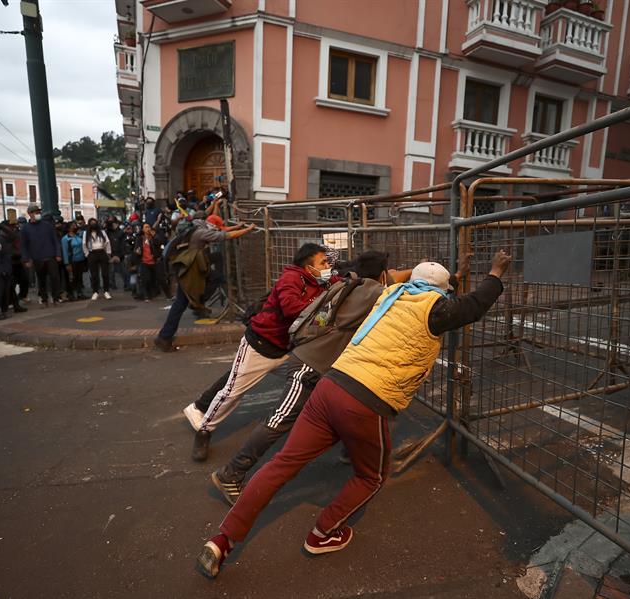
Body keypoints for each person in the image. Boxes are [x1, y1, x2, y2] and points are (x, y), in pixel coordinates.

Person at [195, 250, 512, 579]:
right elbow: (473, 306)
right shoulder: (434, 308)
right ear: (442, 293)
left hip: (330, 384)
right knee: (370, 477)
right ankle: (323, 533)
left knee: (282, 463)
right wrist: (496, 272)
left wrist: (457, 275)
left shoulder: (389, 294)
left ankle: (221, 540)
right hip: (364, 398)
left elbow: (430, 287)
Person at [210, 251, 414, 505]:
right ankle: (230, 474)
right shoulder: (374, 292)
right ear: (382, 274)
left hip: (315, 361)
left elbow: (320, 321)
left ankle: (351, 452)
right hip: (310, 366)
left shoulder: (346, 284)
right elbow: (397, 277)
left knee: (334, 415)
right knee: (279, 420)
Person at [183, 242, 337, 462]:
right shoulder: (291, 279)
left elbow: (332, 295)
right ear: (307, 265)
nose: (327, 266)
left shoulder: (320, 281)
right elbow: (292, 308)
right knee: (232, 393)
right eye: (323, 262)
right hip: (260, 346)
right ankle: (204, 430)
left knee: (312, 380)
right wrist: (323, 302)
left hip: (287, 349)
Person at [153, 217, 256, 352]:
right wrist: (248, 229)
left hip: (184, 268)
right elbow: (226, 235)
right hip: (189, 270)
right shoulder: (202, 232)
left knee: (182, 302)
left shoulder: (196, 226)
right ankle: (164, 337)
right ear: (211, 225)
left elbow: (222, 230)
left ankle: (166, 335)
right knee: (180, 303)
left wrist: (239, 226)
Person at [20, 203, 63, 306]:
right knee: (41, 280)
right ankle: (44, 299)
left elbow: (55, 240)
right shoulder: (25, 229)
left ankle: (56, 298)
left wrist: (58, 254)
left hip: (51, 257)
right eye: (36, 212)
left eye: (39, 212)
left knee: (55, 278)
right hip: (37, 259)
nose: (38, 213)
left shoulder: (47, 225)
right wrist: (26, 259)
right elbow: (24, 246)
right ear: (30, 214)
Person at [0, 220, 28, 314]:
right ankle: (13, 304)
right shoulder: (1, 237)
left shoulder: (14, 235)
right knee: (10, 285)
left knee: (24, 280)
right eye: (10, 226)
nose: (13, 228)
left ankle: (17, 301)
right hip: (8, 263)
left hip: (17, 261)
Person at [82, 218, 112, 300]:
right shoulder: (86, 233)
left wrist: (108, 253)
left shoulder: (102, 232)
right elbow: (84, 244)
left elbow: (107, 242)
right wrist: (87, 254)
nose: (93, 224)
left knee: (105, 273)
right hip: (92, 253)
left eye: (95, 223)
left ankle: (106, 291)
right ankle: (95, 292)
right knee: (94, 274)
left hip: (102, 252)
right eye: (91, 223)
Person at [133, 223, 161, 301]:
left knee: (155, 279)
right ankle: (146, 296)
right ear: (143, 229)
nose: (148, 228)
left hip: (154, 261)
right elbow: (136, 249)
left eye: (149, 227)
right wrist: (137, 251)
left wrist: (154, 236)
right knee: (146, 279)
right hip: (144, 262)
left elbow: (159, 244)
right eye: (146, 227)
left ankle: (152, 293)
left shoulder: (153, 237)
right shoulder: (140, 238)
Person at [61, 223, 87, 301]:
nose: (75, 227)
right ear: (69, 228)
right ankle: (71, 294)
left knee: (79, 278)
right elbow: (65, 251)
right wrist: (67, 263)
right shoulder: (65, 239)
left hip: (80, 260)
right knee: (72, 278)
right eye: (73, 226)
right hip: (72, 260)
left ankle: (79, 293)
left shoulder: (78, 236)